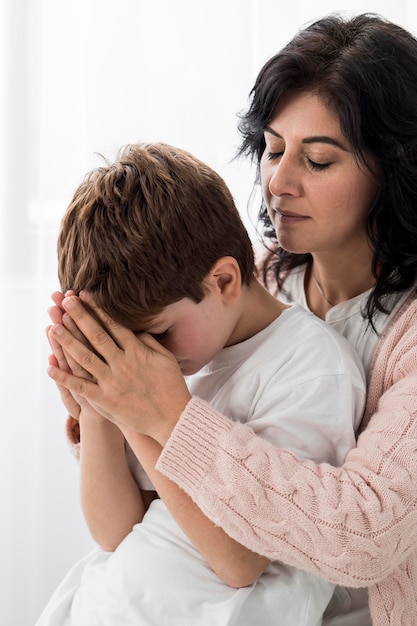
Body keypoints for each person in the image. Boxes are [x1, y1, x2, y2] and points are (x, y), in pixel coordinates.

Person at [44, 12, 417, 625]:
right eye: (272, 150)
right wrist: (101, 401)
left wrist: (160, 409)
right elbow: (142, 518)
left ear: (395, 173)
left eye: (317, 161)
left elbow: (363, 537)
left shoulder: (353, 345)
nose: (278, 184)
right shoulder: (254, 285)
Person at [39, 142, 366, 626]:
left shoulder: (309, 365)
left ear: (224, 281)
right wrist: (101, 410)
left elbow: (241, 561)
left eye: (157, 333)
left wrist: (153, 411)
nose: (142, 361)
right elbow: (116, 533)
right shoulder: (187, 358)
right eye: (124, 343)